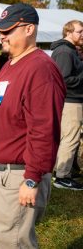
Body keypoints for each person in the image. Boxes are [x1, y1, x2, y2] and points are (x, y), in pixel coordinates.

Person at [0, 3, 66, 248]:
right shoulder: (10, 65)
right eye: (0, 31)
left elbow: (44, 129)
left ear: (29, 29)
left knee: (14, 243)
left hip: (18, 175)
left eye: (8, 30)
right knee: (8, 239)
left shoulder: (40, 68)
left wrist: (31, 179)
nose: (2, 35)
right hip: (0, 173)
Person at [50, 20, 83, 190]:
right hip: (70, 101)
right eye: (80, 31)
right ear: (69, 32)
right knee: (70, 138)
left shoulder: (69, 50)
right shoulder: (64, 51)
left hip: (73, 100)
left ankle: (64, 170)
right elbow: (64, 79)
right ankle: (61, 176)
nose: (82, 35)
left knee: (69, 138)